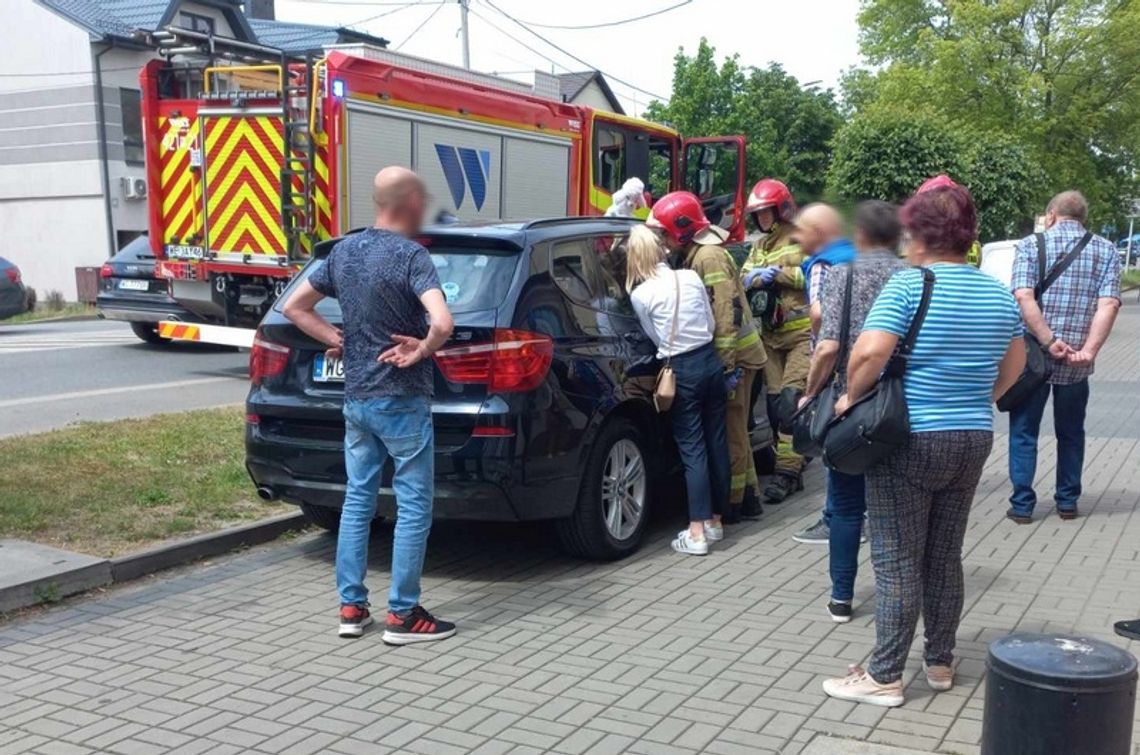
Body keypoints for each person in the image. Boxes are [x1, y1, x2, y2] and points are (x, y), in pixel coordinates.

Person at [823, 185, 1025, 707]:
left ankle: (885, 675)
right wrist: (977, 398)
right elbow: (1016, 367)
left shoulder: (911, 286)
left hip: (909, 438)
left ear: (917, 233)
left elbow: (868, 354)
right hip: (972, 436)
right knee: (944, 557)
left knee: (895, 562)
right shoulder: (998, 292)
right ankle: (939, 661)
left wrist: (850, 396)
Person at [283, 166, 457, 644]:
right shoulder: (411, 257)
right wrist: (422, 348)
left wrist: (338, 337)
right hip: (401, 399)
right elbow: (442, 323)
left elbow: (294, 306)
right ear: (407, 203)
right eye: (422, 198)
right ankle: (403, 615)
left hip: (357, 400)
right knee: (414, 504)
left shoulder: (343, 252)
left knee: (358, 500)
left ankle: (352, 607)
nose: (426, 206)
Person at [799, 201, 906, 620]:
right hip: (898, 406)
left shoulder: (843, 275)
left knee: (845, 507)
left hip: (850, 406)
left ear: (859, 236)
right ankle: (897, 593)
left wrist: (810, 393)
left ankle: (842, 597)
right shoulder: (913, 277)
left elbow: (827, 347)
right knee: (893, 508)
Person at [648, 192, 767, 524]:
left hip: (736, 358)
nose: (663, 241)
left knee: (732, 433)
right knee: (736, 431)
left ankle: (734, 503)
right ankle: (749, 498)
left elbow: (725, 312)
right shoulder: (698, 254)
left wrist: (726, 365)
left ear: (681, 228)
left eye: (665, 233)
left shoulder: (708, 258)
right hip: (733, 357)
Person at [1006, 191, 1122, 523]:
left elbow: (1023, 297)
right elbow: (1109, 304)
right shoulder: (1106, 249)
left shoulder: (1031, 245)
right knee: (1071, 432)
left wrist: (1048, 339)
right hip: (1076, 364)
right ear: (1083, 217)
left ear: (1052, 215)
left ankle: (1023, 505)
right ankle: (1067, 502)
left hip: (1034, 359)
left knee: (1024, 431)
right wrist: (1088, 351)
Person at [626, 225, 730, 556]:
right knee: (717, 441)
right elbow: (711, 324)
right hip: (711, 362)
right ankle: (715, 521)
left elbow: (655, 338)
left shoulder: (640, 295)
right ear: (660, 249)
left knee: (692, 449)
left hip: (681, 369)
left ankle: (696, 531)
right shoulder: (689, 278)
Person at [787, 203, 856, 547]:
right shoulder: (857, 256)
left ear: (817, 233)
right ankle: (859, 514)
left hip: (835, 367)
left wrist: (812, 389)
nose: (796, 239)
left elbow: (818, 315)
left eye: (800, 231)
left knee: (833, 446)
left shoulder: (822, 265)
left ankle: (835, 519)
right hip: (866, 364)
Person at [740, 179, 810, 505]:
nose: (763, 219)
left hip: (800, 336)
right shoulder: (759, 246)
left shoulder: (799, 238)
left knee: (790, 404)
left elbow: (809, 275)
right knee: (772, 407)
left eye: (766, 212)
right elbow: (743, 277)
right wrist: (754, 277)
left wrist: (776, 274)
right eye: (758, 214)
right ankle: (792, 462)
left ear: (780, 209)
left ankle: (787, 473)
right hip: (770, 337)